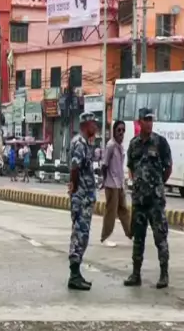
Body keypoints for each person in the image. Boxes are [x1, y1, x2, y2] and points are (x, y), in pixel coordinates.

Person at [124, 108, 171, 289]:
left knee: (160, 238)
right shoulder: (134, 144)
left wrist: (157, 184)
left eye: (151, 119)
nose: (149, 123)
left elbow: (168, 168)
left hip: (155, 202)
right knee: (138, 238)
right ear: (139, 122)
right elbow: (131, 167)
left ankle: (164, 274)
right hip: (139, 201)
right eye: (146, 119)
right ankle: (136, 274)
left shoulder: (160, 143)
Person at [67, 112, 99, 291]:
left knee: (82, 234)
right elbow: (75, 167)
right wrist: (76, 189)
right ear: (86, 125)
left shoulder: (84, 143)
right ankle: (74, 275)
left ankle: (76, 273)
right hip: (81, 197)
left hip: (84, 196)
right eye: (93, 123)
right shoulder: (80, 143)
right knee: (80, 234)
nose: (95, 126)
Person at [100, 120, 132, 248]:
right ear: (114, 131)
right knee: (111, 212)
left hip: (119, 184)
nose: (121, 133)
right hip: (111, 184)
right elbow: (104, 165)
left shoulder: (120, 146)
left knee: (123, 210)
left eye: (123, 130)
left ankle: (131, 234)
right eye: (119, 130)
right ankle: (105, 237)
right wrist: (105, 180)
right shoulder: (111, 146)